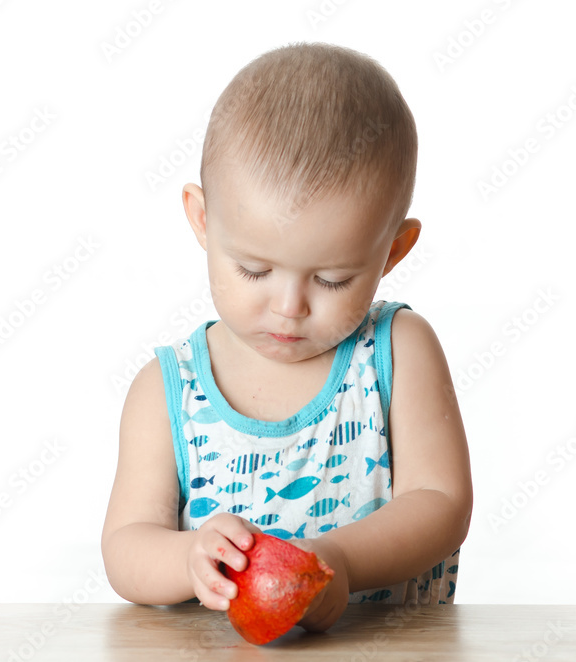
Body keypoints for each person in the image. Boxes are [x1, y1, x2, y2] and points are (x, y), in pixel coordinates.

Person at [102, 41, 472, 634]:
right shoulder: (168, 390)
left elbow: (442, 504)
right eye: (254, 270)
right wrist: (189, 557)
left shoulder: (397, 352)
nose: (289, 306)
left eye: (332, 278)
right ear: (202, 219)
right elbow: (125, 548)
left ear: (393, 250)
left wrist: (341, 563)